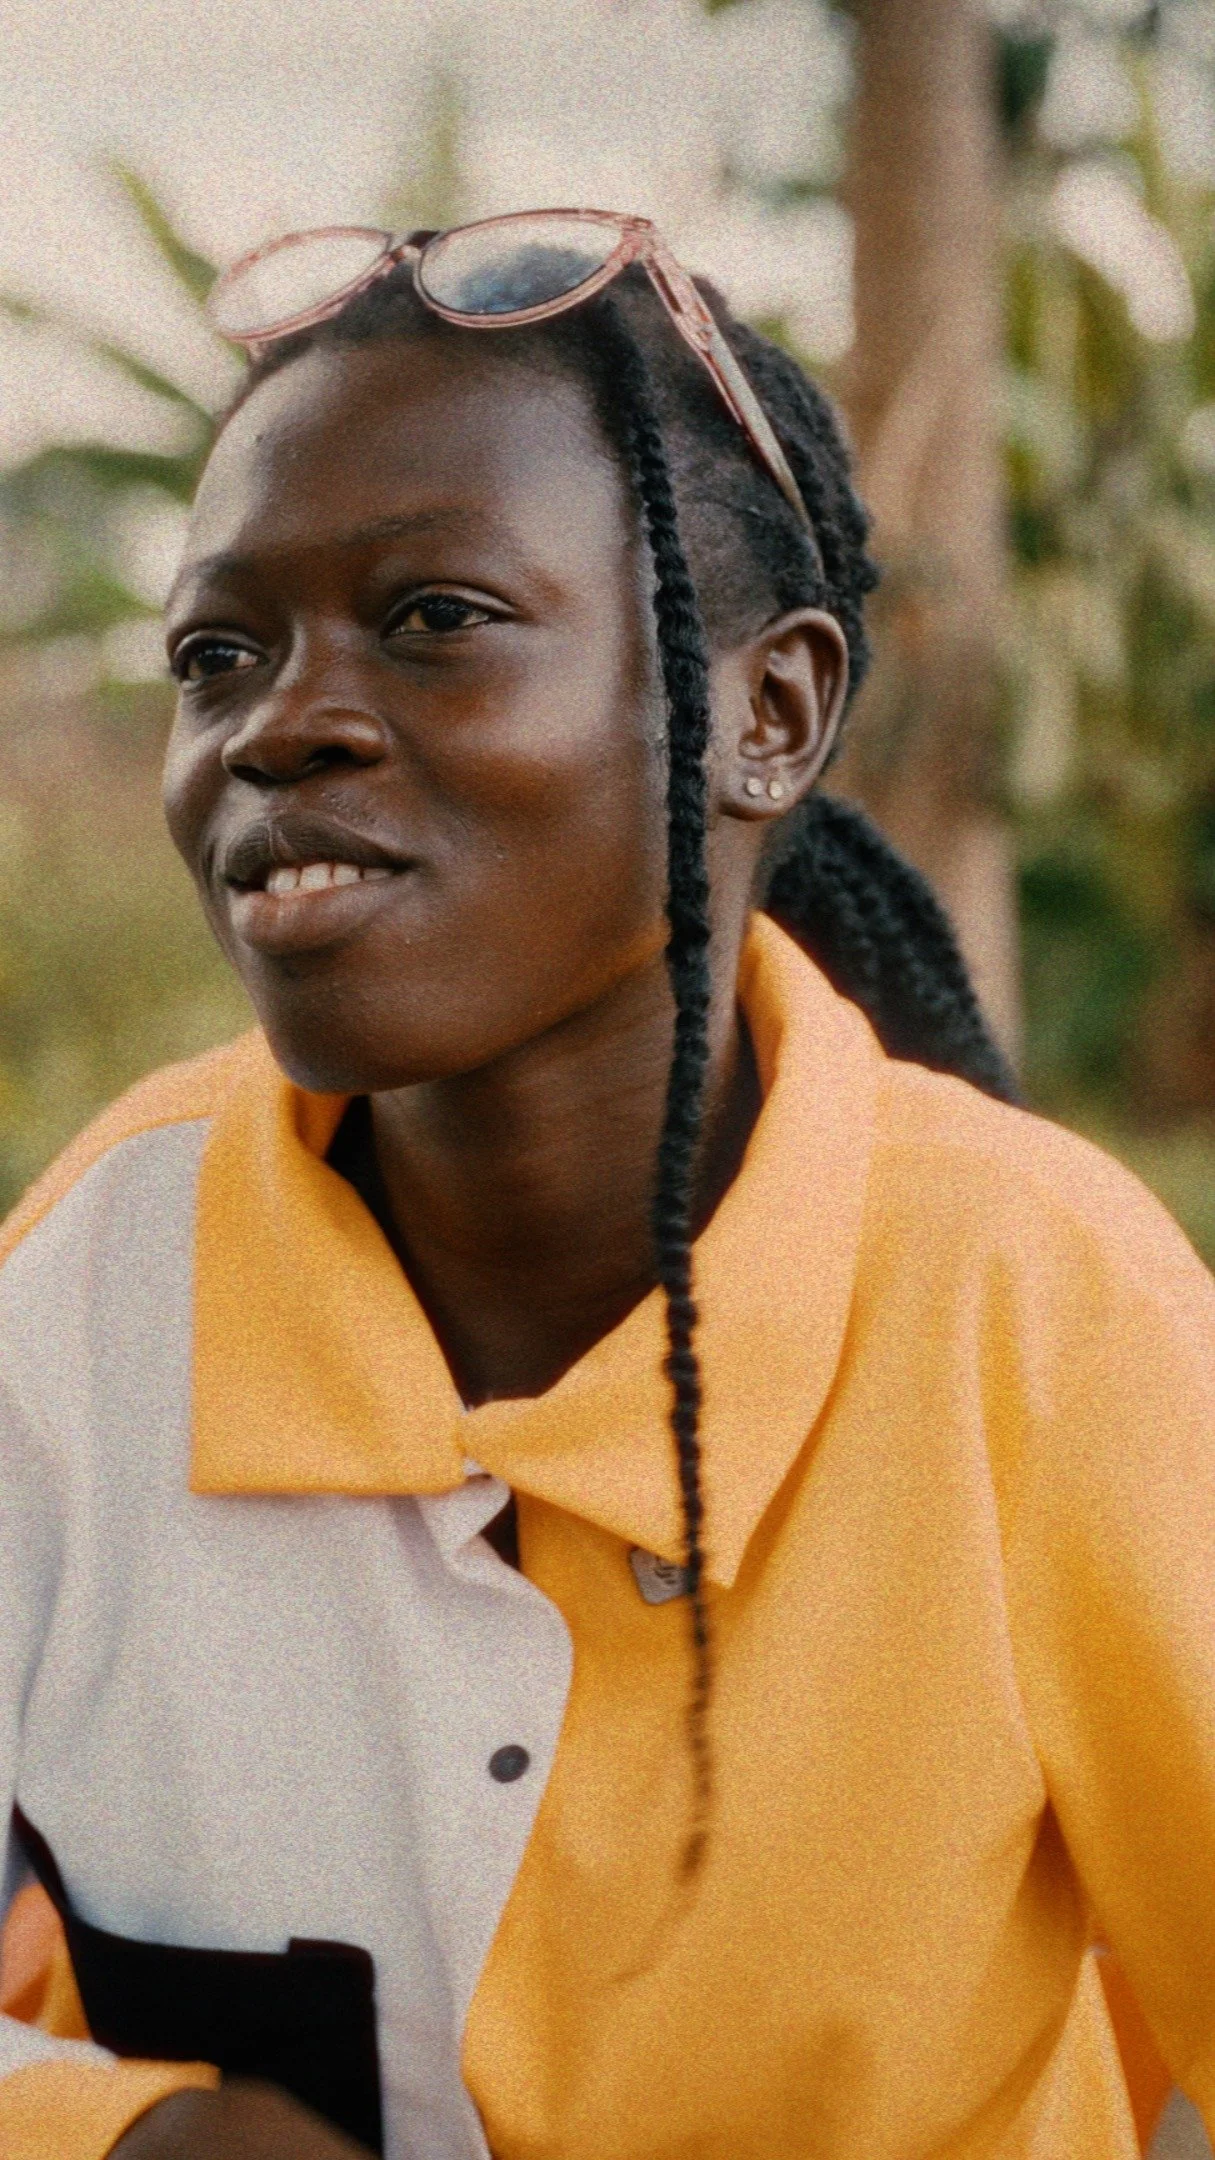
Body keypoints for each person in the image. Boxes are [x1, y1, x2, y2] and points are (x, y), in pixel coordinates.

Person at [0, 211, 1213, 2160]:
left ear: (767, 715)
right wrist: (131, 2136)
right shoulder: (89, 1289)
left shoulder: (1044, 1312)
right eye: (218, 653)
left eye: (436, 618)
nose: (278, 723)